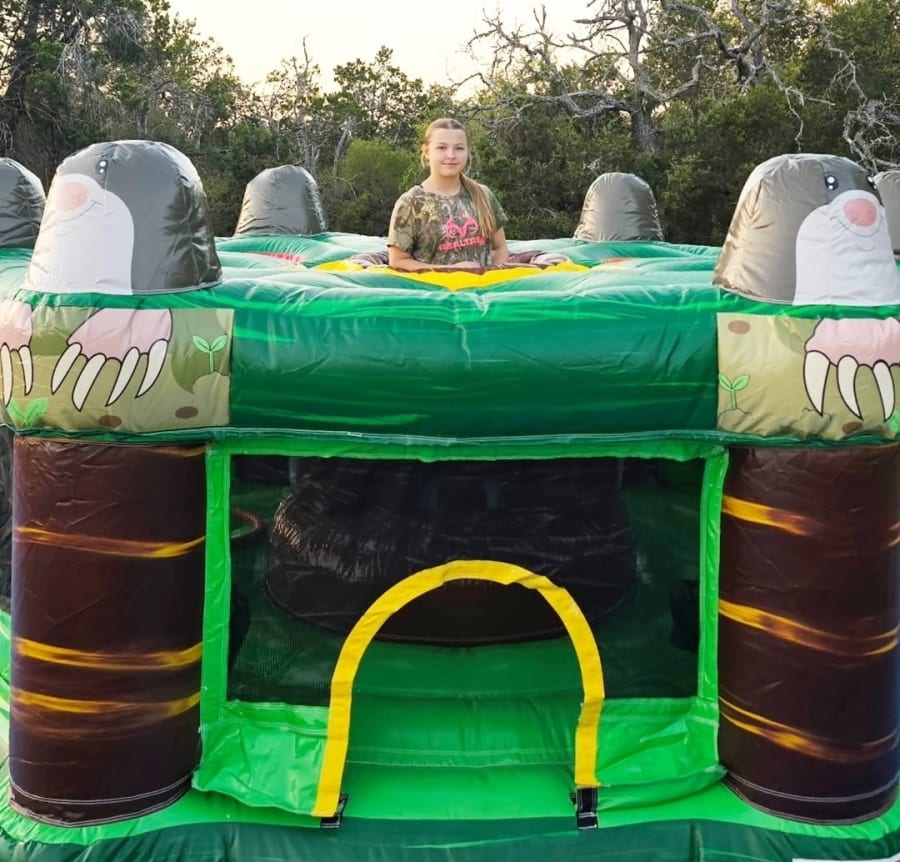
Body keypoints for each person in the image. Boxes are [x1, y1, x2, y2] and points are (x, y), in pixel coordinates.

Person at [388, 118, 510, 271]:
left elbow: (500, 248)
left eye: (459, 148)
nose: (451, 155)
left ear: (467, 151)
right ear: (426, 152)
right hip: (431, 286)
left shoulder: (483, 195)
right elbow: (398, 261)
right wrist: (450, 271)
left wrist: (491, 275)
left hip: (484, 286)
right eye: (441, 148)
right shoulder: (410, 203)